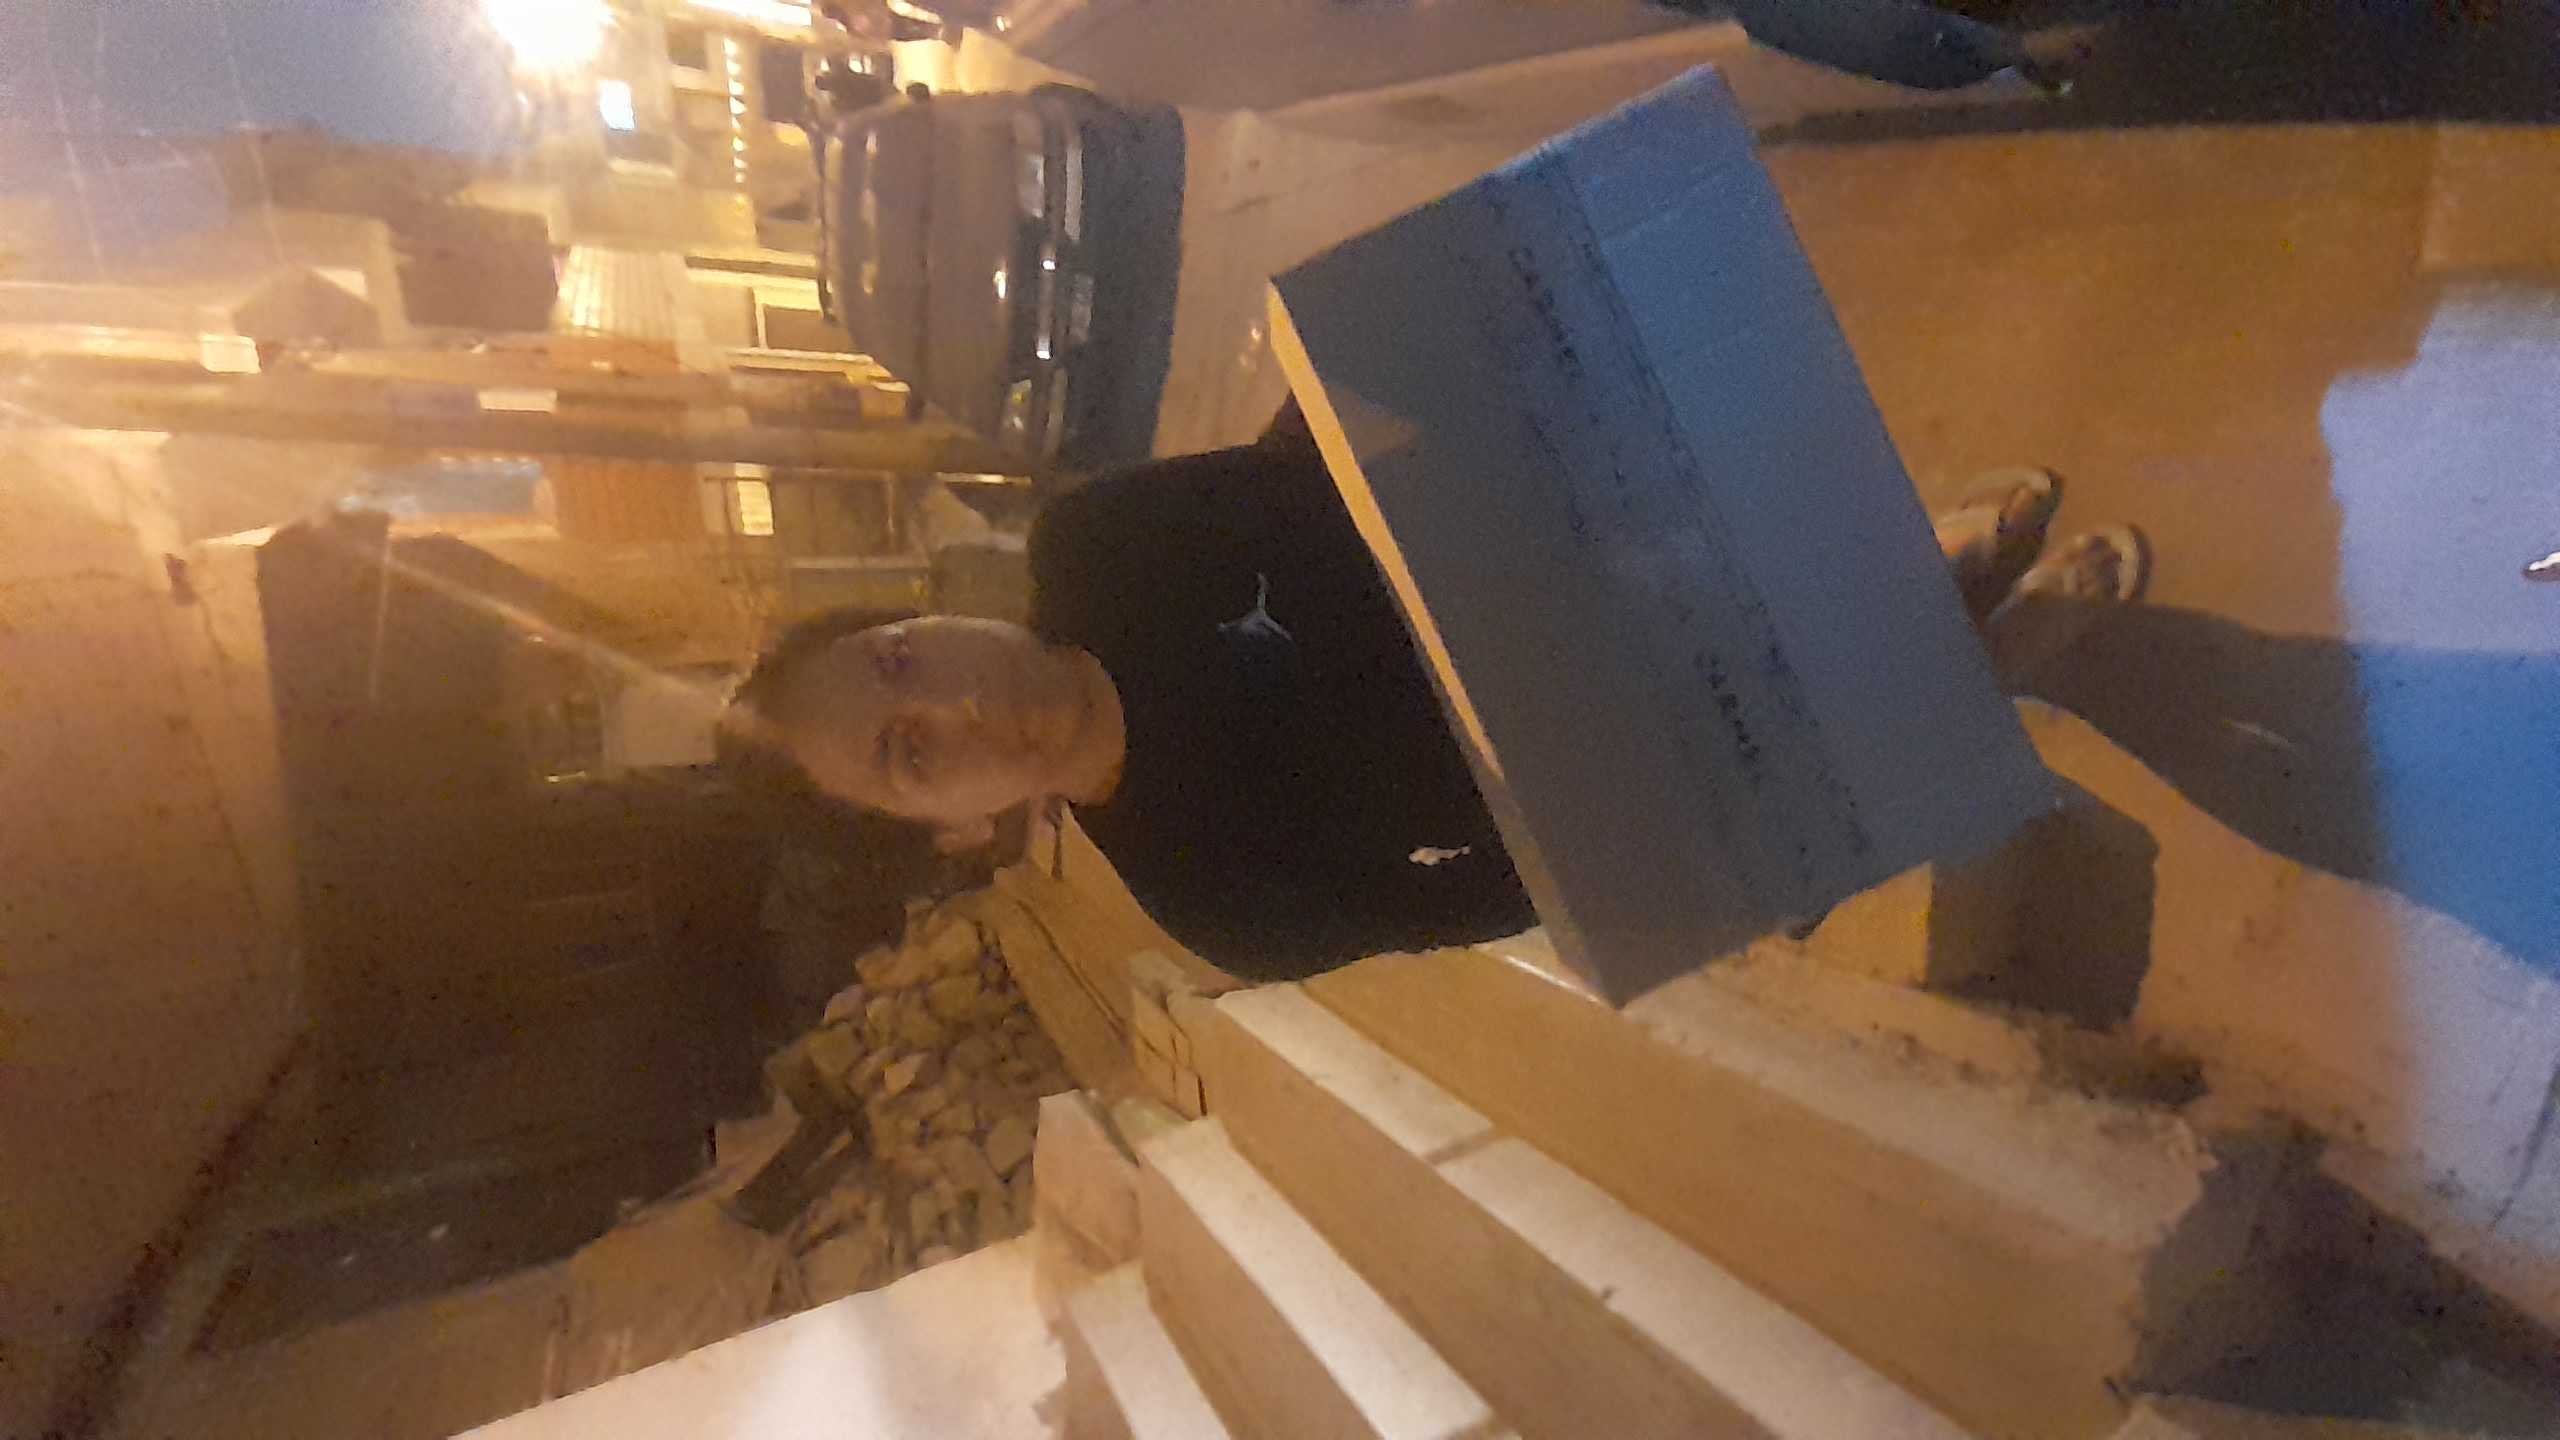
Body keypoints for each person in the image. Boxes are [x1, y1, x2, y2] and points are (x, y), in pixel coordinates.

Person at [720, 411, 2146, 982]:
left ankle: (1935, 588)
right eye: (910, 756)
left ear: (921, 612)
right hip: (1587, 779)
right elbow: (1467, 906)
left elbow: (1318, 481)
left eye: (901, 660)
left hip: (1564, 586)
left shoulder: (1097, 541)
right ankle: (1986, 656)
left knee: (1740, 580)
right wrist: (1638, 853)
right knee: (1778, 792)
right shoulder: (1206, 894)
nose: (957, 710)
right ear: (955, 830)